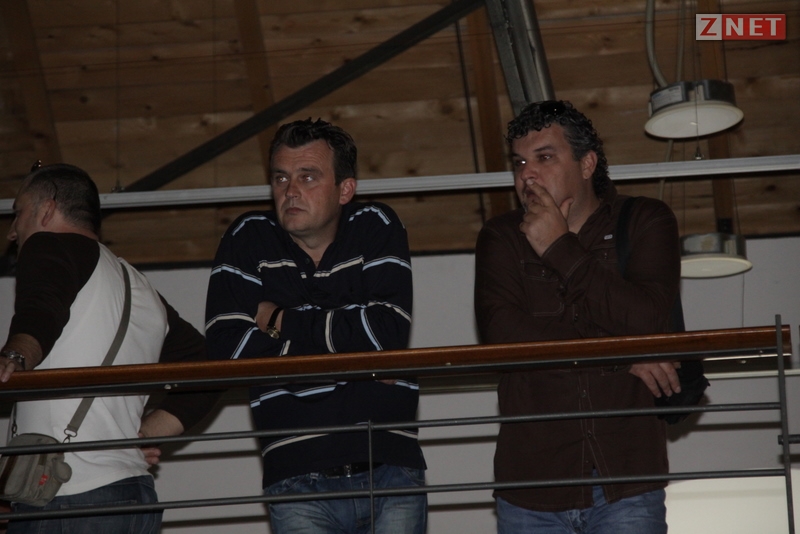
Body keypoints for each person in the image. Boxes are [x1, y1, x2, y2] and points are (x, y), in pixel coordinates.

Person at [205, 118, 426, 533]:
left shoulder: (376, 224)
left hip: (390, 466)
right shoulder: (248, 236)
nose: (290, 190)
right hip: (295, 475)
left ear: (345, 189)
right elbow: (225, 349)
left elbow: (386, 333)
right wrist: (353, 351)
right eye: (281, 178)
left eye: (307, 176)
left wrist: (278, 320)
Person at [474, 100, 682, 534]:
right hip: (530, 487)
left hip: (627, 480)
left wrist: (558, 246)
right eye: (520, 162)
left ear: (587, 164)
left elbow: (649, 318)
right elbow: (502, 336)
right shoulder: (500, 236)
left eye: (545, 157)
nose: (527, 174)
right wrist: (624, 353)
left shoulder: (645, 219)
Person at [0, 163, 218, 533]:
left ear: (46, 210)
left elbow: (41, 310)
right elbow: (207, 367)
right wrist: (144, 435)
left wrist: (14, 358)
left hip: (70, 498)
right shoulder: (139, 286)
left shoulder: (46, 243)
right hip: (133, 493)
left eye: (18, 212)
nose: (11, 231)